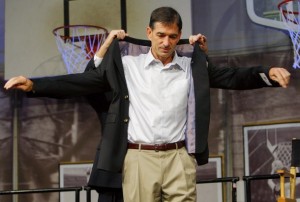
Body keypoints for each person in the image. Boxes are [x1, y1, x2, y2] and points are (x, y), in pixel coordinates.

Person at [4, 6, 290, 202]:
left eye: (173, 36)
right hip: (140, 158)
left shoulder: (192, 65)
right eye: (161, 35)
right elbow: (82, 83)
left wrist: (266, 74)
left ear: (180, 36)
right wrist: (35, 85)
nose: (166, 42)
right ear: (149, 32)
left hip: (180, 157)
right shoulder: (129, 64)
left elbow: (232, 76)